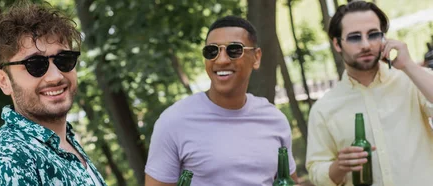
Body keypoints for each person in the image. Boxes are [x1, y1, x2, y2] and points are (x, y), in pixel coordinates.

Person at [145, 16, 298, 186]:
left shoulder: (274, 119)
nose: (222, 60)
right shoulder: (173, 122)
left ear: (256, 57)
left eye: (234, 50)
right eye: (212, 51)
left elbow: (289, 181)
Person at [0, 1, 106, 185]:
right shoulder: (7, 159)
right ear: (4, 81)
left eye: (64, 60)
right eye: (35, 65)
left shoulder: (64, 142)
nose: (55, 76)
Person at [305, 1, 433, 186]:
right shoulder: (323, 109)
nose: (365, 45)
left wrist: (409, 66)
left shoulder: (412, 81)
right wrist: (339, 166)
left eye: (373, 35)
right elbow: (316, 172)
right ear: (337, 44)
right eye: (355, 37)